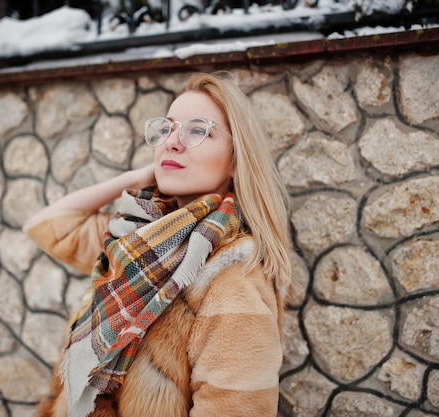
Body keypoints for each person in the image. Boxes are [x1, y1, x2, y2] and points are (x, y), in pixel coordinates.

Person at [23, 71, 294, 417]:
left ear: (238, 160)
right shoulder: (134, 239)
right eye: (167, 129)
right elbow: (49, 225)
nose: (172, 142)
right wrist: (134, 178)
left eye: (198, 130)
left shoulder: (233, 280)